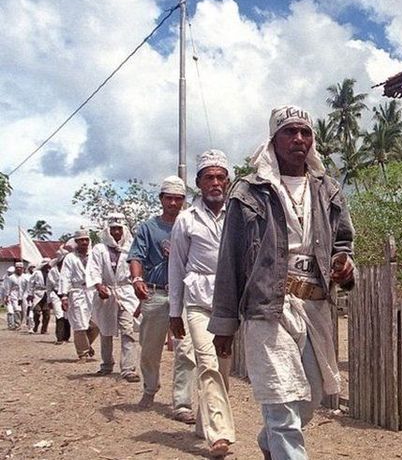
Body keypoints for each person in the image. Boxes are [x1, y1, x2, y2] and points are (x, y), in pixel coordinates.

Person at [209, 105, 356, 459]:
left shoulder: (327, 189)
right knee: (282, 399)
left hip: (314, 305)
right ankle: (282, 441)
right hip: (267, 307)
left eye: (305, 132)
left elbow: (344, 241)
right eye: (289, 132)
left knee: (310, 396)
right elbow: (229, 259)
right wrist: (225, 323)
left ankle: (270, 441)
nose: (299, 139)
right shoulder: (248, 191)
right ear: (274, 140)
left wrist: (345, 262)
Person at [169, 149, 236, 457]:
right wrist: (174, 312)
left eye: (221, 177)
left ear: (228, 181)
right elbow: (177, 267)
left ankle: (204, 422)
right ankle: (219, 434)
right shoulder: (186, 220)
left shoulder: (238, 215)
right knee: (207, 364)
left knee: (223, 367)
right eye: (209, 177)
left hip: (228, 303)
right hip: (196, 301)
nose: (215, 183)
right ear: (198, 183)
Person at [128, 175, 196, 424]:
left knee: (185, 349)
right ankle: (150, 388)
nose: (174, 203)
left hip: (186, 293)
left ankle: (182, 403)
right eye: (170, 198)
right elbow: (136, 256)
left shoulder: (190, 224)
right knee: (150, 347)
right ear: (161, 199)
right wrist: (137, 280)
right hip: (157, 292)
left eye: (179, 199)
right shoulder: (149, 227)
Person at [87, 213, 140, 382]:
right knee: (106, 329)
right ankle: (106, 364)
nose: (116, 232)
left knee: (128, 330)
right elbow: (93, 269)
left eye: (119, 229)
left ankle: (128, 368)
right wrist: (98, 285)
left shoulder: (131, 247)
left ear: (124, 230)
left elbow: (138, 266)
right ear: (107, 230)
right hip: (107, 291)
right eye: (113, 229)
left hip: (126, 292)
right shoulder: (99, 249)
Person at [60, 230, 99, 362]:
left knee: (97, 323)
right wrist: (64, 296)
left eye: (86, 239)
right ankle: (83, 353)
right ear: (76, 242)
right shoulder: (70, 258)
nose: (84, 242)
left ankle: (86, 344)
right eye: (81, 240)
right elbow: (65, 277)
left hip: (93, 291)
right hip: (77, 292)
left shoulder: (94, 255)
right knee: (80, 324)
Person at [48, 249, 71, 344]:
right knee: (59, 315)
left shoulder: (69, 269)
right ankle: (60, 338)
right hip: (56, 294)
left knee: (67, 316)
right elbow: (49, 286)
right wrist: (49, 300)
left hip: (68, 295)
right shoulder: (53, 271)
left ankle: (66, 336)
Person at [28, 259, 52, 334]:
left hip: (47, 294)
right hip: (37, 294)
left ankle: (44, 329)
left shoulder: (50, 273)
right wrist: (30, 294)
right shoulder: (36, 273)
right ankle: (35, 325)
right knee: (37, 312)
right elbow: (31, 284)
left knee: (47, 313)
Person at [4, 262, 27, 330]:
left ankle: (21, 323)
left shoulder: (25, 277)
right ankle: (17, 324)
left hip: (24, 295)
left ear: (23, 269)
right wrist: (7, 296)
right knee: (16, 309)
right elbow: (8, 288)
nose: (19, 269)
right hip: (14, 295)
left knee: (23, 310)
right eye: (17, 268)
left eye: (20, 268)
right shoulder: (11, 278)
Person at [2, 265, 22, 330]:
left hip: (17, 295)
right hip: (10, 296)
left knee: (17, 309)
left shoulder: (20, 277)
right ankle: (10, 325)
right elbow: (7, 288)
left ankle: (17, 324)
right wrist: (6, 297)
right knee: (10, 311)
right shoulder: (8, 278)